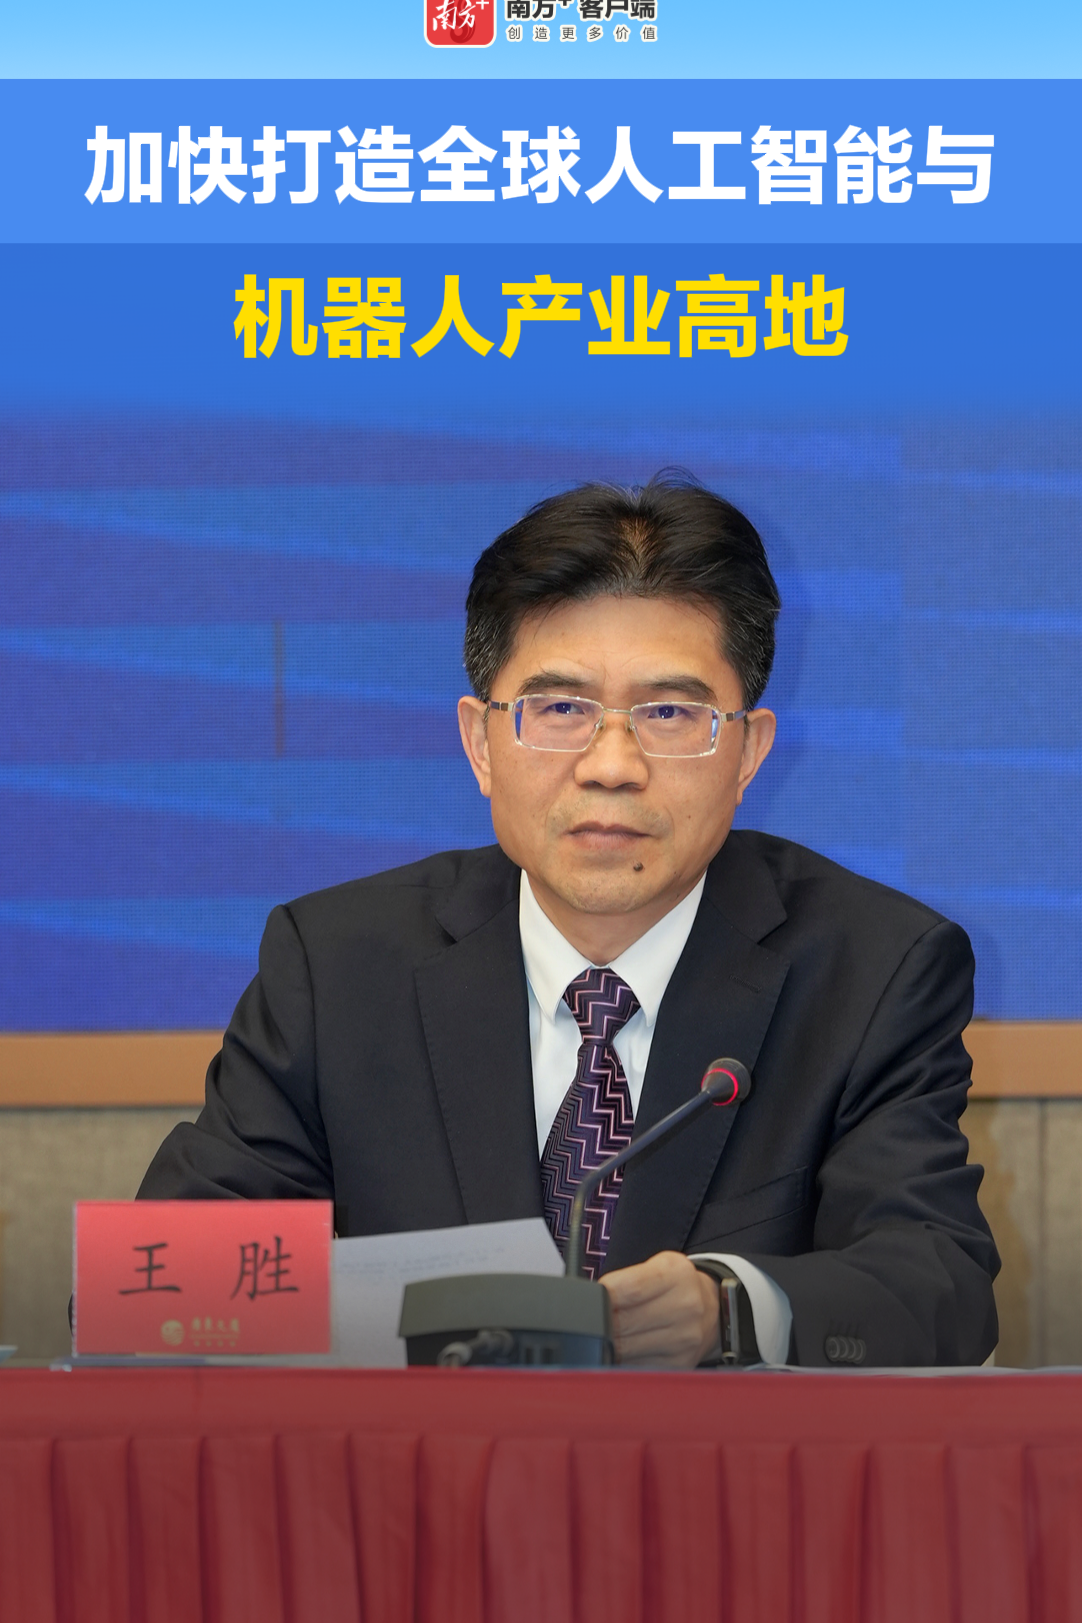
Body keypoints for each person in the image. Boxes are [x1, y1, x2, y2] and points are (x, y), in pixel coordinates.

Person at [138, 475, 998, 1368]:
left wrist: (729, 1309)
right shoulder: (337, 968)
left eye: (670, 713)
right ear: (480, 743)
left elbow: (936, 1285)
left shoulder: (874, 972)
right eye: (559, 710)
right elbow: (162, 1286)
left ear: (747, 751)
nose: (611, 764)